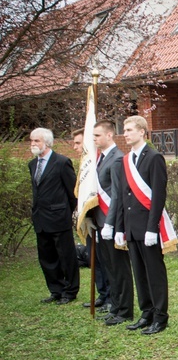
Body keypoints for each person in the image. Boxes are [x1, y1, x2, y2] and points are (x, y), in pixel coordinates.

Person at [118, 115, 172, 335]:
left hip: (148, 227)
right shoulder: (126, 160)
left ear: (142, 132)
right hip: (131, 227)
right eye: (124, 129)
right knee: (139, 272)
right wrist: (120, 227)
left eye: (130, 129)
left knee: (154, 272)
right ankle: (146, 312)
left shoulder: (154, 157)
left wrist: (152, 227)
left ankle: (160, 316)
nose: (125, 133)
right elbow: (123, 196)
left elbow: (158, 196)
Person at [29, 127, 80, 304]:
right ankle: (56, 290)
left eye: (37, 141)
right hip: (40, 219)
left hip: (59, 218)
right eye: (32, 140)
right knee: (47, 257)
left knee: (66, 256)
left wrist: (66, 211)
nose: (33, 144)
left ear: (47, 142)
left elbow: (73, 192)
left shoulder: (61, 162)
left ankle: (70, 291)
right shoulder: (33, 164)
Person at [91, 120, 135, 326]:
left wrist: (110, 224)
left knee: (120, 269)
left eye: (97, 135)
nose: (94, 139)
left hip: (113, 222)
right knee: (109, 267)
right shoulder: (101, 158)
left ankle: (124, 310)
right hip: (102, 221)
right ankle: (115, 306)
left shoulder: (117, 159)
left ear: (109, 135)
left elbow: (117, 195)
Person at [71, 127, 111, 311]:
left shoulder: (97, 162)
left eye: (79, 143)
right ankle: (102, 294)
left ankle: (110, 296)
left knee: (105, 259)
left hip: (101, 218)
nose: (75, 147)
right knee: (94, 257)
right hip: (89, 219)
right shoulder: (85, 163)